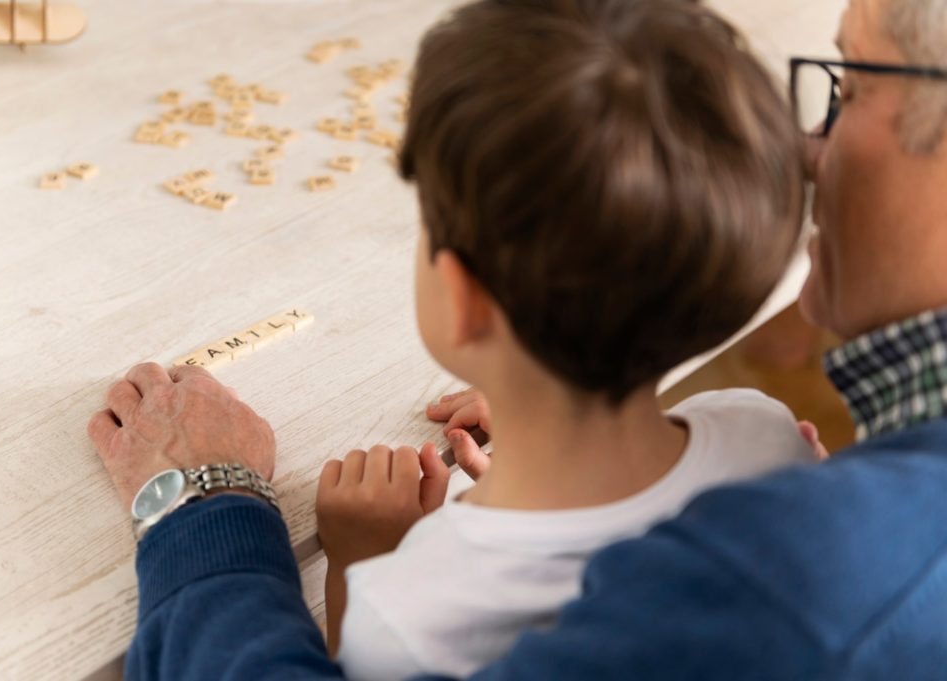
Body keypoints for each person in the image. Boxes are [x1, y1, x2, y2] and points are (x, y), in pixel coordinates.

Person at [88, 0, 947, 678]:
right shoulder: (767, 432)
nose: (808, 149)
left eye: (850, 89)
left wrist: (209, 504)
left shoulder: (807, 578)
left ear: (463, 300)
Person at [310, 1, 816, 678]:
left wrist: (364, 558)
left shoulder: (409, 610)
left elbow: (356, 660)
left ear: (465, 300)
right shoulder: (767, 433)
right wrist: (533, 416)